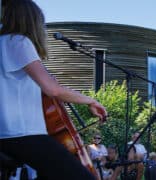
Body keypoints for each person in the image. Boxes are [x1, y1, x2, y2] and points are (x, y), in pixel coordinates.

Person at [0, 1, 107, 179]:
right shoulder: (19, 41)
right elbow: (53, 90)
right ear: (32, 21)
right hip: (23, 134)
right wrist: (91, 100)